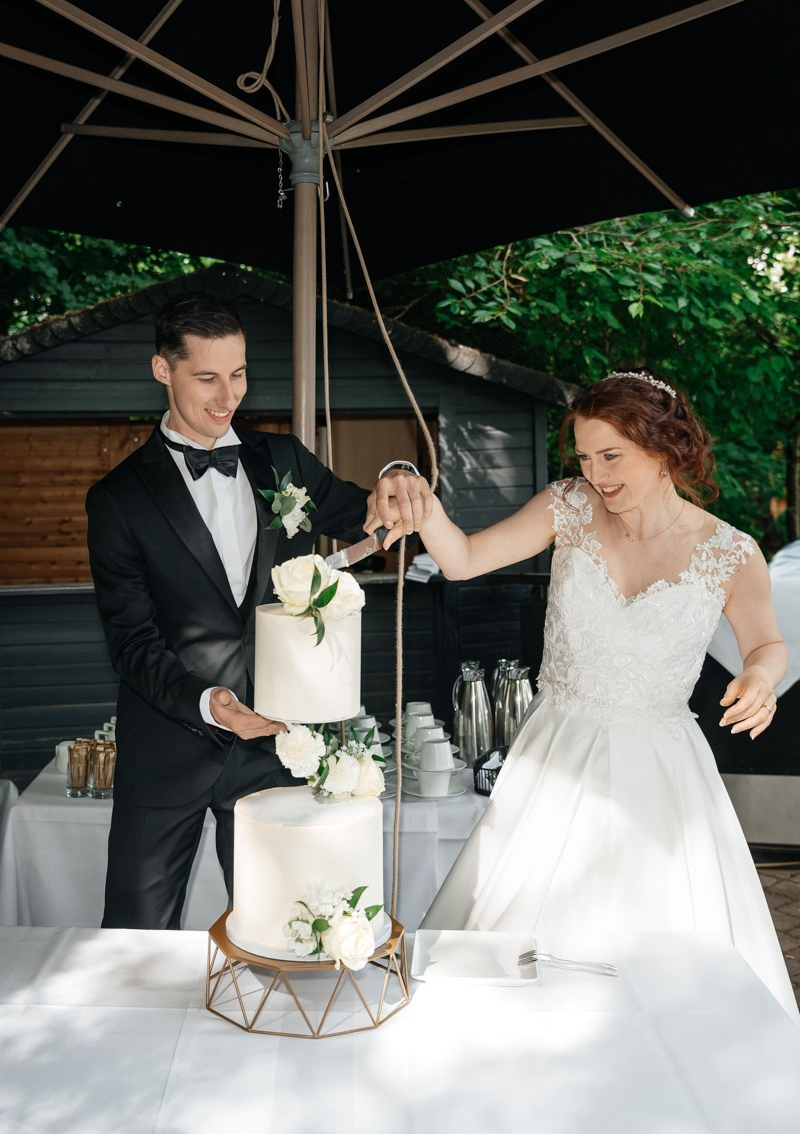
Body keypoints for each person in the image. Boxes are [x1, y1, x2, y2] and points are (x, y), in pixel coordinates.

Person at [373, 369, 798, 1021]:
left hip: (661, 773)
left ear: (663, 448)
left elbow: (768, 645)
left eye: (611, 455)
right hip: (556, 758)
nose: (596, 473)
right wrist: (415, 491)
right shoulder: (565, 508)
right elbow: (459, 559)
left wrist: (761, 678)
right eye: (585, 456)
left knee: (667, 964)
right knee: (515, 947)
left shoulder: (730, 553)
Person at [86, 291, 430, 930]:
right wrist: (206, 701)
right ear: (163, 369)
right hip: (167, 747)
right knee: (134, 939)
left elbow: (371, 508)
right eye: (207, 377)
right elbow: (130, 642)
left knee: (281, 930)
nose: (228, 395)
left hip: (276, 750)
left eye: (239, 374)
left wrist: (398, 473)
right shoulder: (118, 499)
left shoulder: (284, 461)